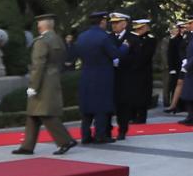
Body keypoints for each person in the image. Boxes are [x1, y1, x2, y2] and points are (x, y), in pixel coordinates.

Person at [12, 14, 77, 154]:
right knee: (33, 114)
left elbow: (38, 65)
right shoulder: (58, 40)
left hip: (42, 82)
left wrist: (33, 86)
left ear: (41, 26)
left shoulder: (41, 41)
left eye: (38, 24)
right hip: (53, 79)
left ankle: (66, 141)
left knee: (45, 114)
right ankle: (27, 146)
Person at [72, 11, 119, 144]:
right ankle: (100, 135)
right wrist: (126, 47)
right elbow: (115, 54)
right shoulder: (104, 37)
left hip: (86, 74)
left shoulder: (81, 37)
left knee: (87, 108)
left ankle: (85, 136)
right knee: (102, 107)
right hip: (103, 75)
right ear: (102, 22)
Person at [116, 18, 158, 138]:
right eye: (137, 29)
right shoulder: (133, 38)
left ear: (146, 27)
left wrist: (135, 65)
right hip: (133, 71)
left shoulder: (150, 39)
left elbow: (146, 56)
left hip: (143, 71)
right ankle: (133, 115)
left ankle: (141, 117)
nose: (139, 31)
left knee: (143, 94)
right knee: (133, 94)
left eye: (141, 28)